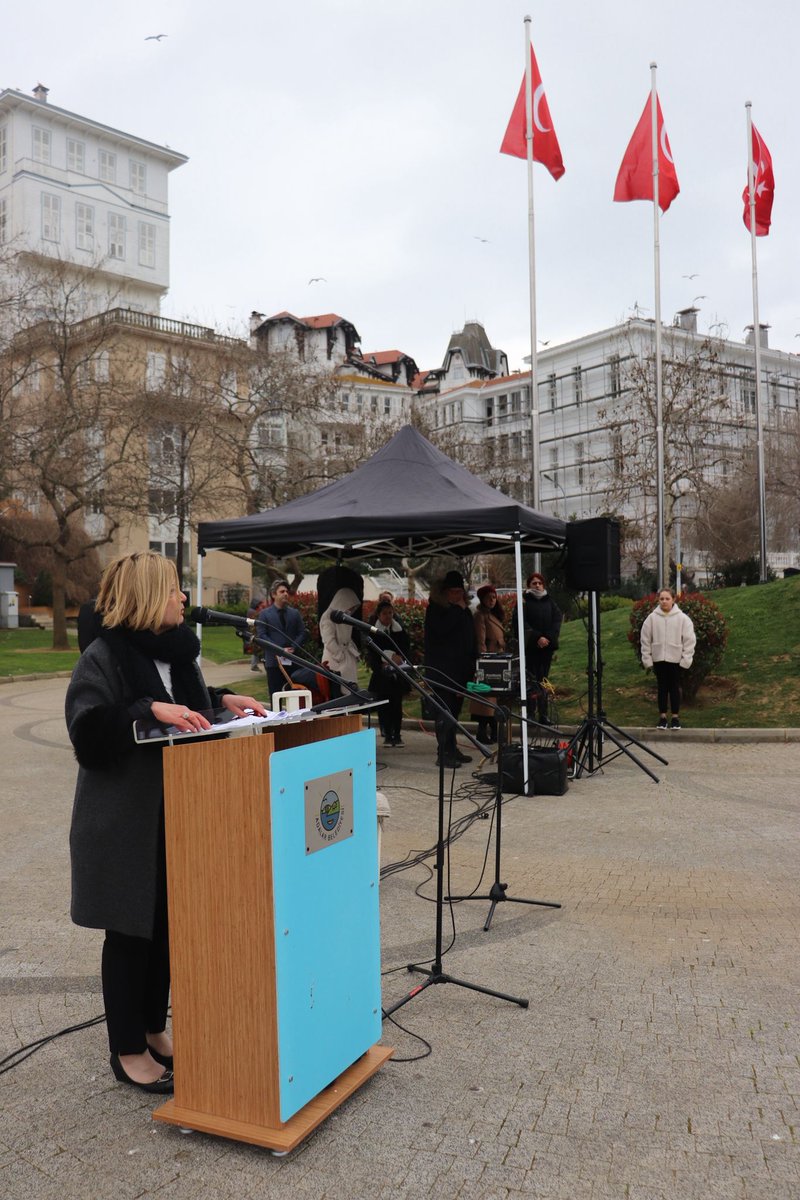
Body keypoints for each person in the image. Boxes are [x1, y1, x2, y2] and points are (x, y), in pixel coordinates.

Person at [65, 551, 266, 1094]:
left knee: (167, 932)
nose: (183, 597)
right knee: (130, 935)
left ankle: (155, 1029)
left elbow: (187, 710)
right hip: (123, 825)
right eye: (174, 588)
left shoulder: (178, 655)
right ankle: (128, 1050)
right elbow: (87, 732)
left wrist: (226, 703)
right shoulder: (102, 656)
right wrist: (143, 711)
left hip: (179, 816)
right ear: (149, 597)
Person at [423, 569, 476, 768]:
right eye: (453, 592)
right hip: (441, 671)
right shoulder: (436, 609)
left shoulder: (464, 611)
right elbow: (442, 630)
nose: (457, 596)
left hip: (460, 671)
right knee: (444, 712)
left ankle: (452, 747)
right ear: (444, 593)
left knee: (454, 712)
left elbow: (470, 639)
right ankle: (443, 752)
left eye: (459, 591)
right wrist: (456, 609)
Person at [639, 588, 696, 729]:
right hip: (659, 660)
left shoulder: (682, 618)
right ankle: (663, 717)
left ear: (673, 600)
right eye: (661, 599)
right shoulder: (651, 618)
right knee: (662, 688)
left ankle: (675, 718)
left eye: (667, 598)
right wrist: (647, 658)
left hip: (676, 661)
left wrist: (686, 659)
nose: (664, 601)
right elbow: (645, 639)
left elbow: (690, 640)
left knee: (674, 688)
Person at [365, 599, 412, 747]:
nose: (388, 616)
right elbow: (372, 654)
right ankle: (387, 734)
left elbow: (405, 648)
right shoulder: (373, 632)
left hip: (397, 674)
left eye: (390, 613)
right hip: (382, 675)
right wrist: (383, 662)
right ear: (378, 615)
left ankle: (397, 734)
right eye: (385, 613)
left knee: (396, 706)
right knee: (384, 706)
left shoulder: (399, 630)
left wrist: (399, 658)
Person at [255, 578, 309, 703]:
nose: (286, 594)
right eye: (282, 591)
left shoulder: (294, 613)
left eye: (287, 591)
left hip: (293, 660)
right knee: (276, 696)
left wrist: (294, 647)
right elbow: (262, 636)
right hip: (274, 662)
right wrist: (280, 650)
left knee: (295, 697)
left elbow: (302, 632)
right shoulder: (265, 614)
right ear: (274, 595)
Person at [522, 571, 562, 725]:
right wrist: (537, 637)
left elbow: (557, 620)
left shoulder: (550, 601)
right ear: (529, 585)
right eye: (534, 583)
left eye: (539, 583)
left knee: (543, 681)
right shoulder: (524, 602)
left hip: (546, 650)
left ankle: (543, 715)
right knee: (531, 681)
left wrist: (548, 638)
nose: (537, 585)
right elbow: (522, 623)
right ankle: (531, 714)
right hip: (531, 650)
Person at [470, 584, 505, 744]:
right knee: (486, 700)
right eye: (488, 598)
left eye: (494, 597)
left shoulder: (494, 614)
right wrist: (484, 659)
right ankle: (484, 732)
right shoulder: (480, 615)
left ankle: (493, 731)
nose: (492, 600)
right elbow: (480, 640)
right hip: (488, 661)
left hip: (498, 659)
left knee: (494, 699)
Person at [319, 586, 361, 691]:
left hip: (346, 657)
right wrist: (340, 656)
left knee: (351, 689)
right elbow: (329, 641)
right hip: (335, 660)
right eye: (350, 606)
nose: (351, 609)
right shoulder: (328, 617)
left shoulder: (345, 616)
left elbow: (347, 638)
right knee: (339, 690)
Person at [245, 595, 267, 671]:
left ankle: (254, 665)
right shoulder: (253, 612)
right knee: (255, 649)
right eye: (258, 604)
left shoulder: (251, 610)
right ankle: (254, 665)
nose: (259, 606)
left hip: (251, 631)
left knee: (255, 649)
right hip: (253, 632)